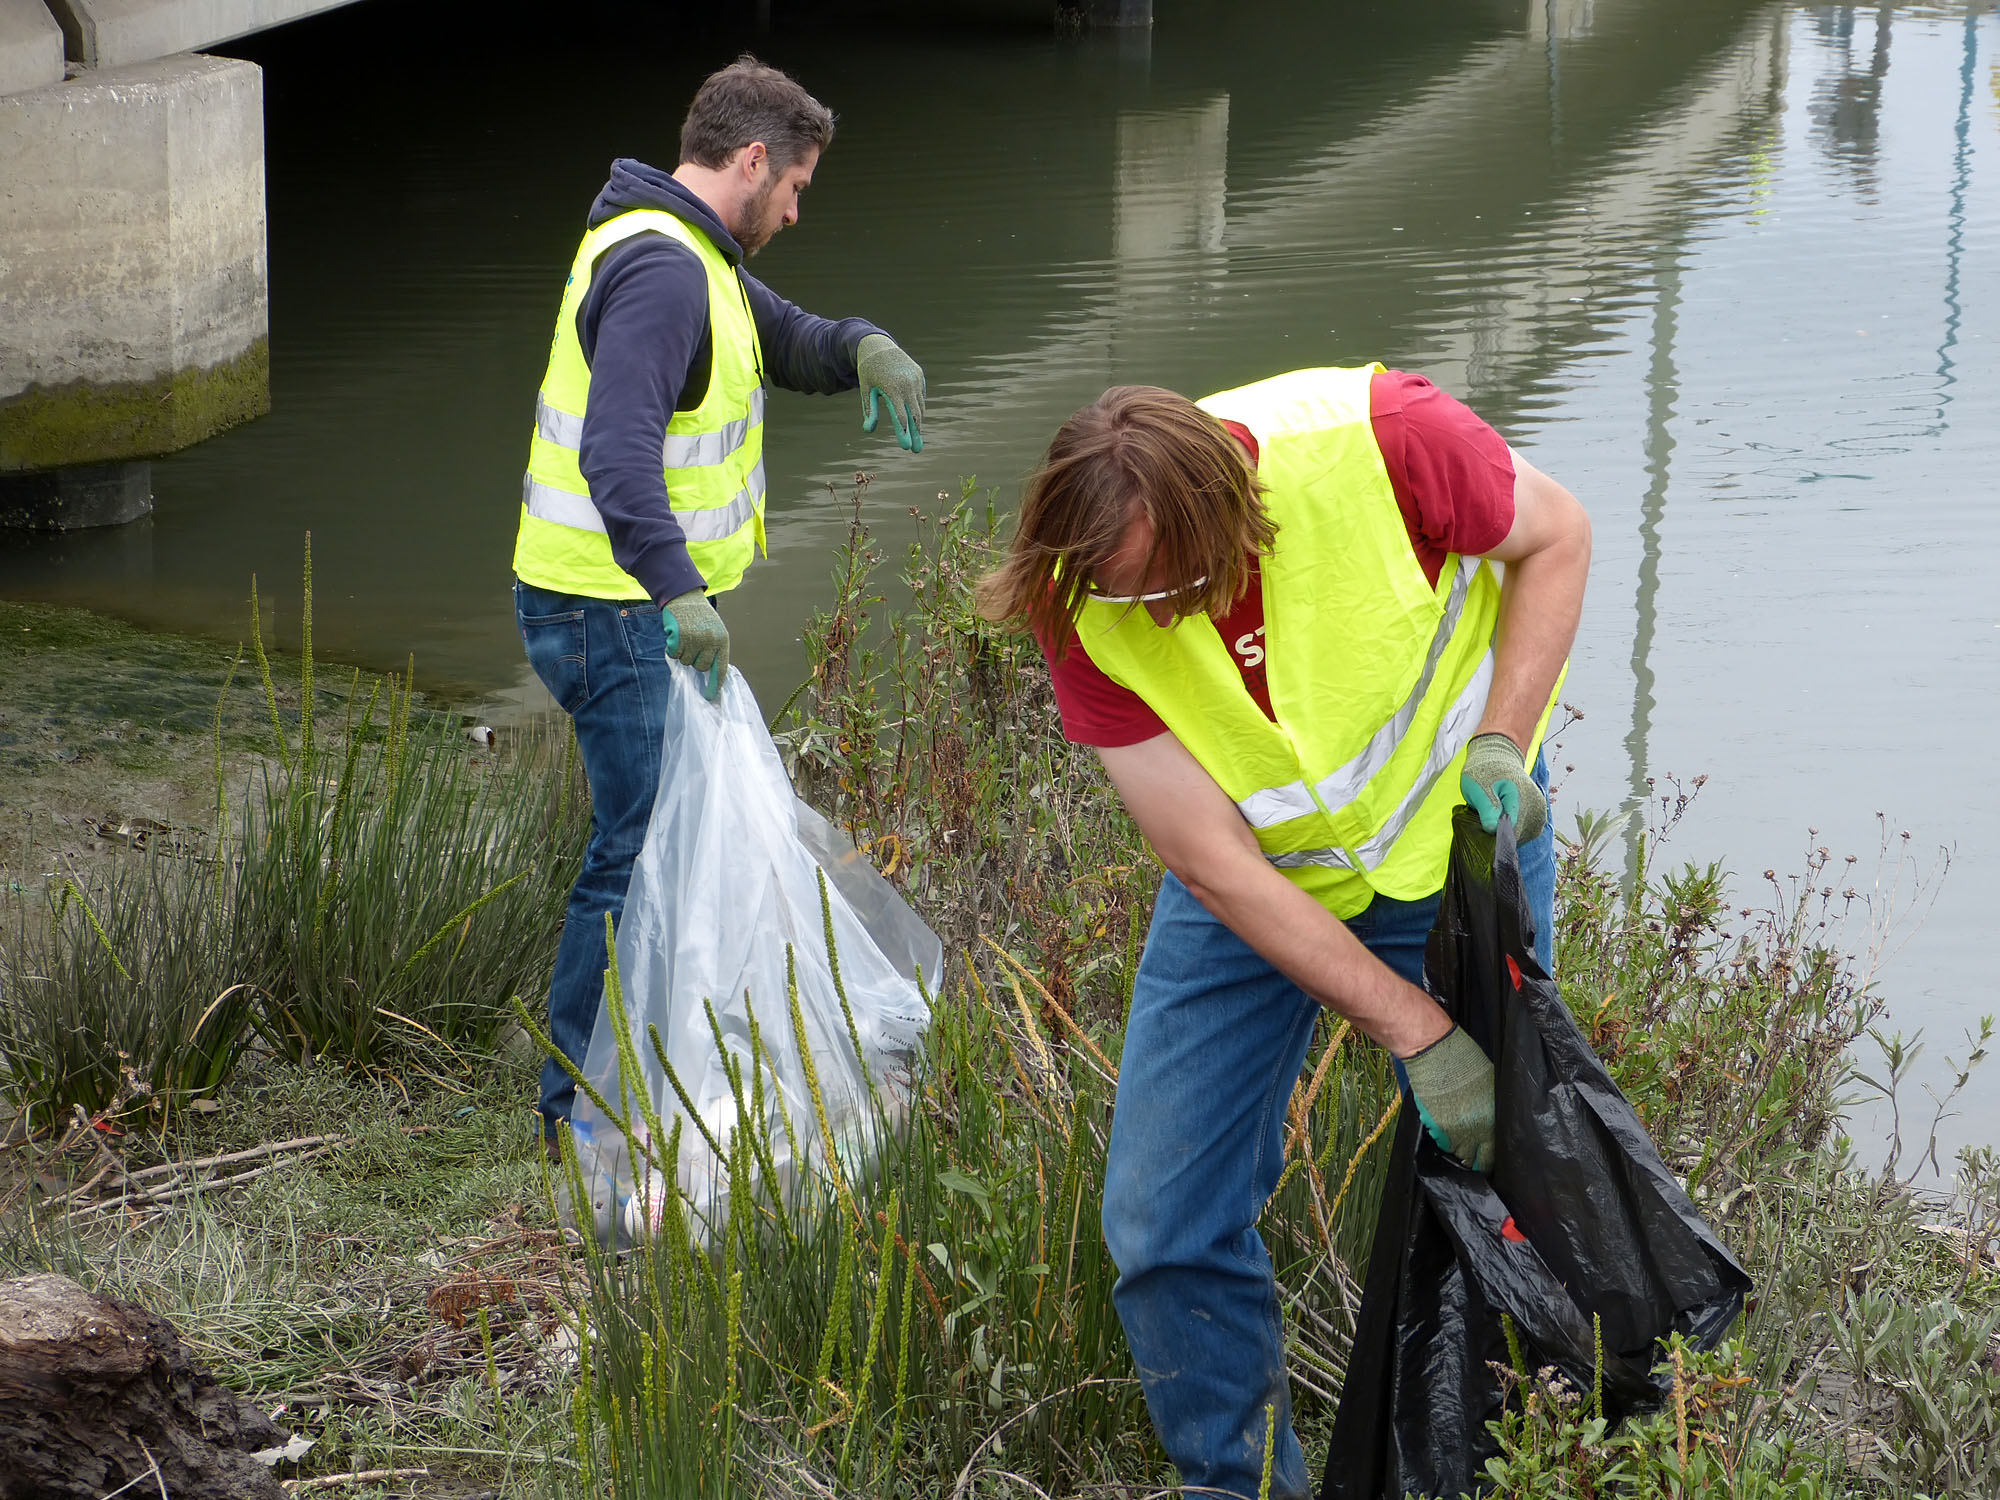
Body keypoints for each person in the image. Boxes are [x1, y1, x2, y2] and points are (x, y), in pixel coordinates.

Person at [976, 365, 1590, 1500]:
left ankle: (1530, 1463)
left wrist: (1503, 740)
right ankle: (1242, 1484)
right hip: (1260, 878)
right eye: (1126, 595)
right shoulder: (1078, 596)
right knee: (1162, 1221)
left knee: (1511, 1182)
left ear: (1231, 511)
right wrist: (1413, 1030)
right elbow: (1211, 864)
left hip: (1449, 845)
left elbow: (1557, 536)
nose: (1158, 616)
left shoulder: (1386, 440)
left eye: (1177, 582)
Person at [513, 56, 928, 1163]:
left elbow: (782, 338)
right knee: (637, 849)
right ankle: (574, 1112)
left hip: (620, 601)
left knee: (653, 841)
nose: (795, 210)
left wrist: (861, 346)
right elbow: (615, 453)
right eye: (793, 186)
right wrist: (676, 589)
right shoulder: (662, 270)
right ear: (751, 160)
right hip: (610, 607)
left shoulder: (692, 251)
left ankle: (626, 1078)